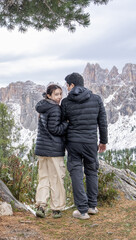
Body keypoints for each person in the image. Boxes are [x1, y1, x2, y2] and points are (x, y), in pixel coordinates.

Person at [61, 72, 108, 220]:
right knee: (92, 171)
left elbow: (63, 123)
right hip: (90, 142)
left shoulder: (66, 102)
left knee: (76, 172)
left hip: (74, 143)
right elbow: (102, 122)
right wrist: (103, 141)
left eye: (67, 85)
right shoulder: (96, 99)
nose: (67, 88)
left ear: (72, 85)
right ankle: (92, 206)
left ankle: (82, 211)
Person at [34, 84, 68, 219]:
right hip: (54, 150)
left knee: (44, 178)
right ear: (49, 95)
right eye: (56, 94)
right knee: (57, 179)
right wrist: (67, 123)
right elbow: (55, 129)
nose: (59, 97)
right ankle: (56, 208)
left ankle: (41, 206)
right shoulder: (55, 109)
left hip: (42, 150)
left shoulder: (42, 107)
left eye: (60, 94)